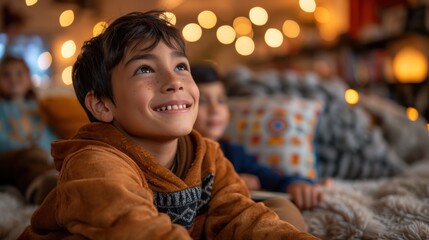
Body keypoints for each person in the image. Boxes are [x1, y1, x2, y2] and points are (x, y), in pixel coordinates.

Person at [18, 10, 318, 240]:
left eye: (180, 66)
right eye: (145, 69)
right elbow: (135, 228)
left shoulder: (207, 154)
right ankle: (43, 186)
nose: (174, 81)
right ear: (102, 105)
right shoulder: (93, 163)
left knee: (278, 214)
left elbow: (238, 214)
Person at [192, 63, 328, 210]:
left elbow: (272, 178)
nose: (215, 109)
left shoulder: (234, 152)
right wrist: (229, 182)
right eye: (203, 101)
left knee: (284, 209)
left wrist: (297, 184)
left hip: (238, 216)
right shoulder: (180, 152)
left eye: (221, 100)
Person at [0, 55, 58, 205]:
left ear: (29, 79)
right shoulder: (2, 108)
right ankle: (39, 191)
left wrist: (50, 154)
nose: (13, 79)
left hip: (41, 158)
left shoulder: (38, 108)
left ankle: (55, 185)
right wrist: (31, 150)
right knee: (30, 159)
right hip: (9, 158)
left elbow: (49, 135)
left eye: (19, 73)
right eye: (6, 75)